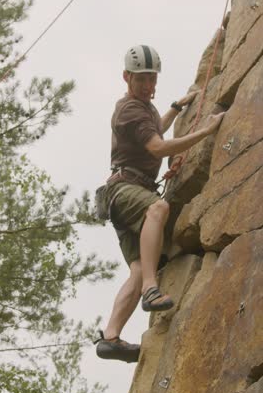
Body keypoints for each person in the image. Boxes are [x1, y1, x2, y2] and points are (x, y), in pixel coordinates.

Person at [94, 45, 225, 363]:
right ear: (127, 77)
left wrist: (175, 108)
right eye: (142, 80)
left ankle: (110, 338)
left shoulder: (145, 108)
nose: (149, 86)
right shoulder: (130, 110)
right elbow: (156, 146)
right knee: (159, 208)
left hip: (123, 195)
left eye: (153, 79)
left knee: (137, 270)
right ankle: (152, 288)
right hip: (125, 190)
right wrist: (206, 131)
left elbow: (157, 129)